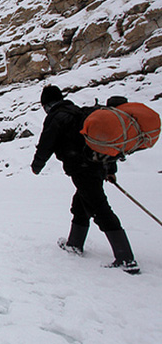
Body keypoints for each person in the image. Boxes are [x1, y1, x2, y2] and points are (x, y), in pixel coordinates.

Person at [31, 85, 139, 274]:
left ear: (46, 104)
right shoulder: (79, 113)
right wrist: (109, 169)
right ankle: (75, 243)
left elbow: (46, 144)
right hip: (95, 166)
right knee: (81, 204)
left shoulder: (56, 118)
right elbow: (101, 143)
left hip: (81, 168)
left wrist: (37, 166)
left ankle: (126, 258)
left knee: (100, 208)